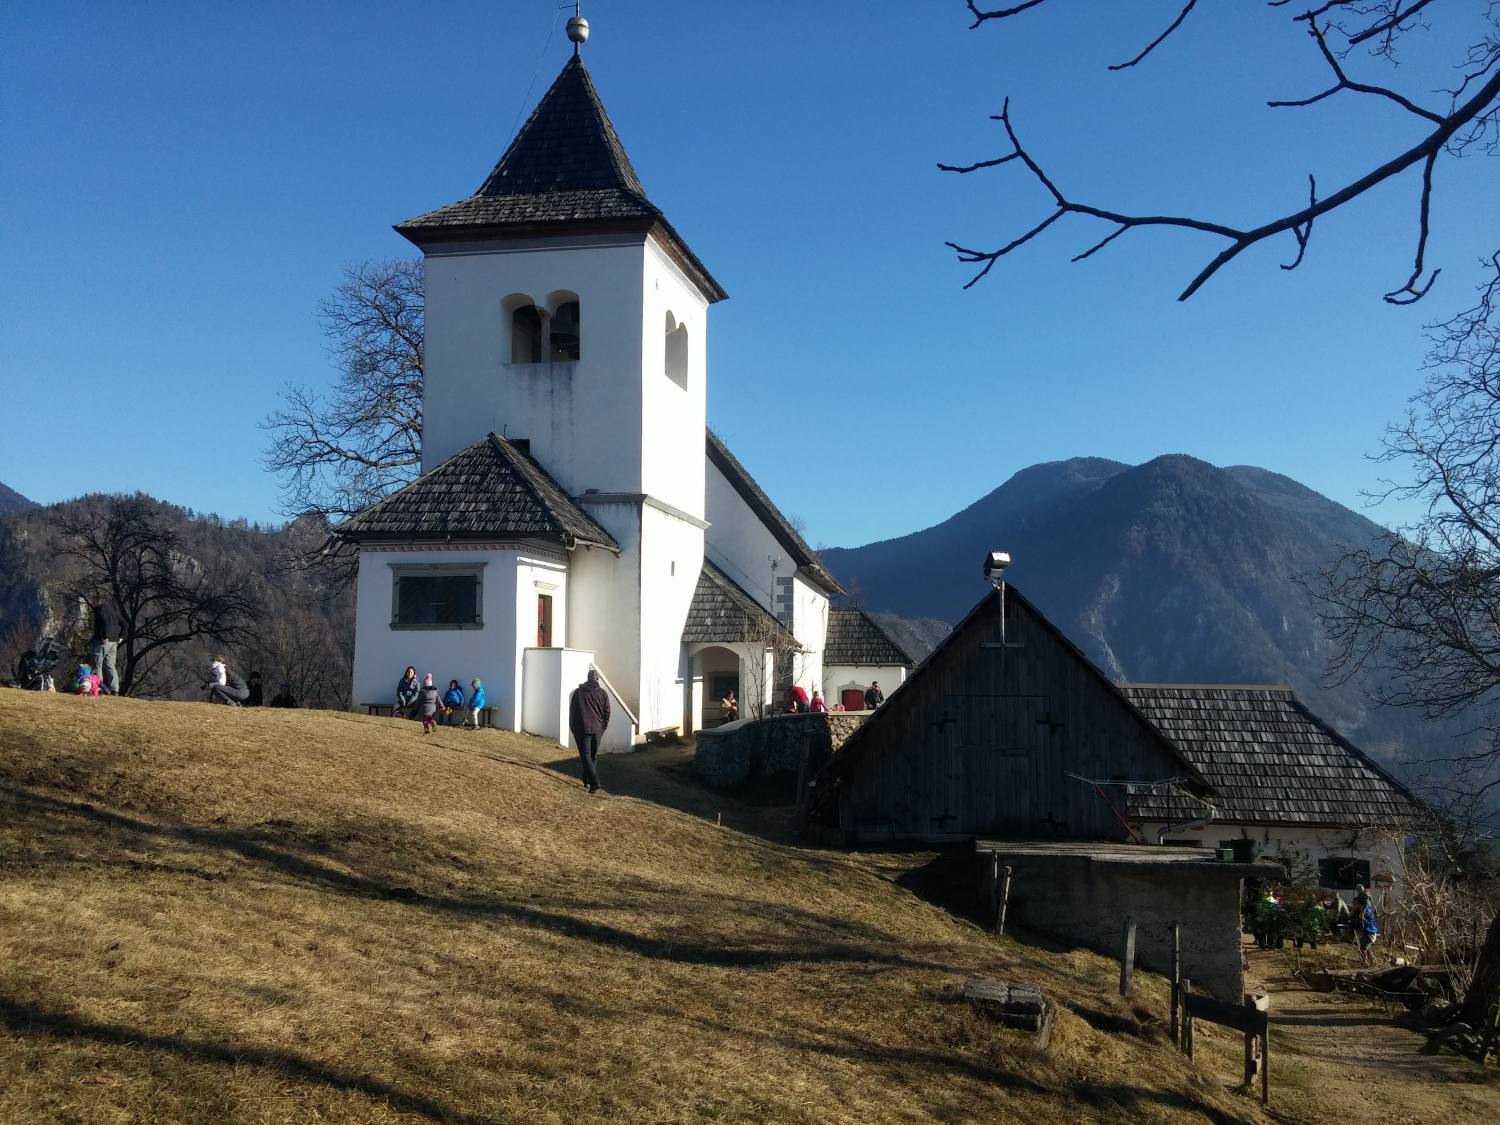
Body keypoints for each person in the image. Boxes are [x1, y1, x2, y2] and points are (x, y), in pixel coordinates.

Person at [568, 669, 611, 794]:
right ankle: (587, 780)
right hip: (598, 729)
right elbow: (607, 712)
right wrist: (603, 726)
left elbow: (573, 712)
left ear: (587, 678)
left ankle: (594, 782)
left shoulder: (578, 693)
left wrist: (573, 727)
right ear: (597, 680)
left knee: (586, 756)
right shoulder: (603, 693)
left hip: (583, 729)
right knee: (593, 756)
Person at [89, 591, 124, 695]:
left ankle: (100, 688)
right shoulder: (112, 611)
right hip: (114, 642)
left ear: (97, 601)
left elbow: (104, 623)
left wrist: (105, 636)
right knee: (110, 666)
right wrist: (121, 637)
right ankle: (115, 690)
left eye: (93, 602)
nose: (92, 604)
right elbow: (124, 624)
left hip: (102, 642)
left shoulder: (100, 610)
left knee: (97, 664)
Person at [1358, 900, 1379, 966]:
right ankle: (1373, 961)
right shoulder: (1364, 911)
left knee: (1363, 948)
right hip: (1367, 933)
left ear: (1361, 905)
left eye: (1355, 903)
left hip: (1370, 934)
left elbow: (1370, 924)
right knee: (1367, 948)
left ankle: (1365, 962)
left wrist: (1363, 919)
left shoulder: (1367, 912)